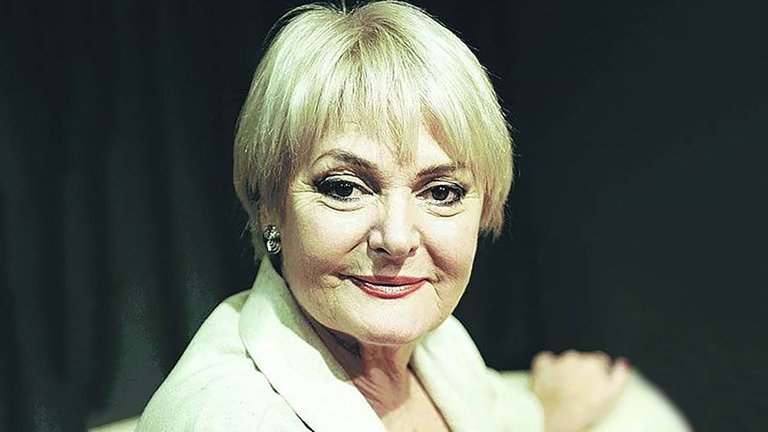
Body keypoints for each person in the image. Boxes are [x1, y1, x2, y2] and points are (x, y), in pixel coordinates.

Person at [135, 1, 689, 431]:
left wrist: (550, 412)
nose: (397, 238)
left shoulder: (437, 346)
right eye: (345, 188)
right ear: (267, 204)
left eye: (442, 192)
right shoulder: (230, 416)